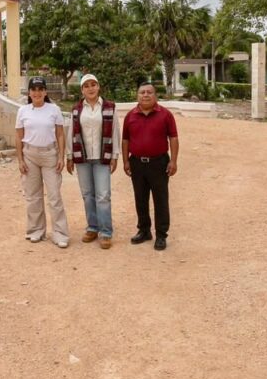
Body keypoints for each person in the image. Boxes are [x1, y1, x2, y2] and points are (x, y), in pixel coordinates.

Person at [122, 81, 179, 251]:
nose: (145, 95)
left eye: (149, 92)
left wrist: (173, 160)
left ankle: (161, 235)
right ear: (137, 96)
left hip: (159, 163)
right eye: (142, 92)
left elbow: (173, 138)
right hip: (137, 163)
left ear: (155, 95)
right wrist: (126, 161)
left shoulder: (165, 115)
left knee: (160, 199)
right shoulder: (130, 116)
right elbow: (125, 140)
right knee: (140, 198)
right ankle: (144, 230)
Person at [66, 74, 120, 249]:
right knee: (87, 194)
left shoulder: (110, 107)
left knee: (103, 195)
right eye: (86, 86)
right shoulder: (76, 110)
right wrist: (69, 157)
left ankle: (105, 232)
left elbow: (115, 132)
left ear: (98, 87)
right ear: (82, 90)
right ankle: (92, 227)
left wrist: (115, 156)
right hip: (82, 157)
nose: (90, 88)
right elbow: (70, 134)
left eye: (93, 84)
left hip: (101, 157)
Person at [15, 76, 70, 248]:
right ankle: (35, 230)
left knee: (54, 196)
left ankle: (60, 233)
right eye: (34, 89)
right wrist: (20, 160)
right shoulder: (23, 111)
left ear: (45, 92)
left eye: (40, 89)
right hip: (30, 155)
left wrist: (61, 156)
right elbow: (19, 136)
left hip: (49, 155)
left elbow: (60, 134)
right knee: (33, 196)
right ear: (29, 92)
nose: (37, 93)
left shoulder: (54, 109)